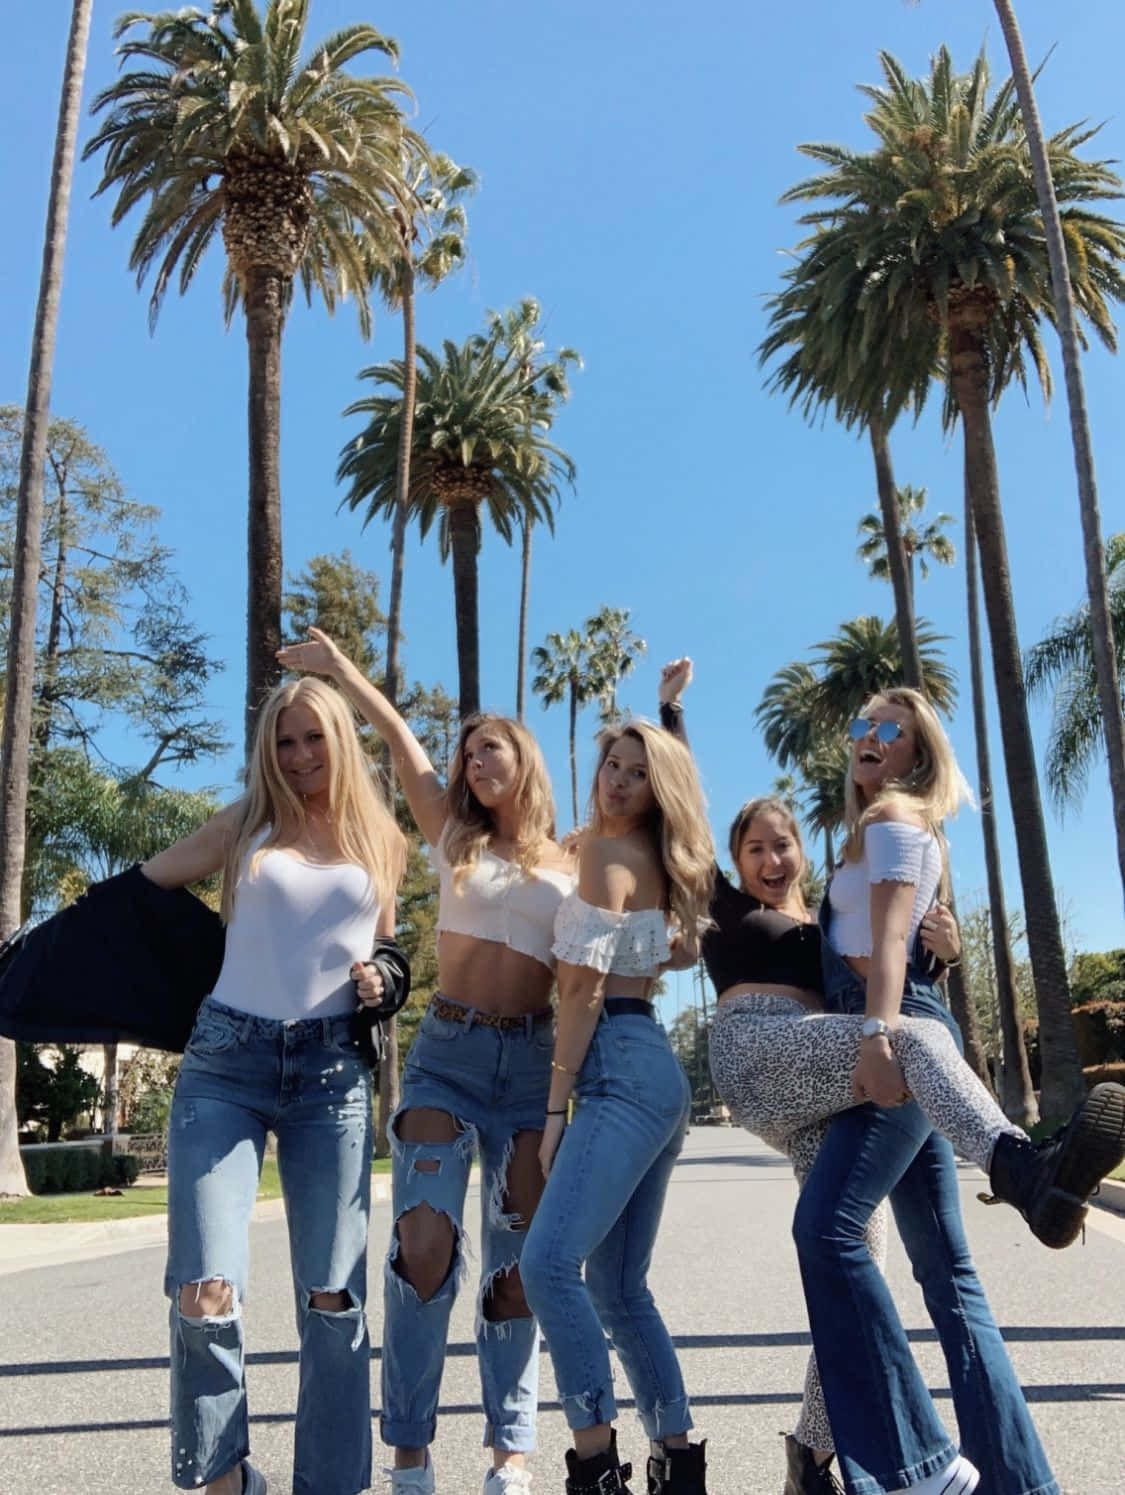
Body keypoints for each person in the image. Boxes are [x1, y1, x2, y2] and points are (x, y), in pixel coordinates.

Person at [661, 665, 1125, 1494]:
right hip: (870, 1043)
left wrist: (886, 1020)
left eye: (889, 732)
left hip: (887, 1040)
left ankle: (1022, 1172)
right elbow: (694, 829)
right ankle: (1001, 1476)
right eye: (861, 729)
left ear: (916, 755)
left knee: (843, 1238)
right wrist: (932, 958)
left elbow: (886, 962)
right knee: (934, 1273)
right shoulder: (800, 879)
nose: (869, 741)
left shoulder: (888, 826)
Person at [276, 627, 575, 1495]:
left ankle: (509, 1448)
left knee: (515, 1267)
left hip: (529, 1065)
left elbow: (654, 835)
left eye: (493, 746)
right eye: (469, 748)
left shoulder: (572, 859)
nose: (476, 757)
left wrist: (671, 715)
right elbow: (401, 742)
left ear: (523, 762)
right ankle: (408, 1448)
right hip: (446, 1052)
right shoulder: (453, 835)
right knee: (424, 1245)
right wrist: (339, 671)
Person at [142, 673, 407, 1495]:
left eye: (312, 738)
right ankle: (226, 1481)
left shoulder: (382, 840)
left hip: (332, 1074)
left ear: (339, 739)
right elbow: (142, 890)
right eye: (282, 742)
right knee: (203, 1287)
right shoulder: (247, 825)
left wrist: (385, 982)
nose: (297, 757)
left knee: (334, 1301)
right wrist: (55, 963)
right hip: (226, 1062)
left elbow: (392, 950)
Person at [520, 720, 715, 1495]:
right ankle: (677, 1463)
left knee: (546, 1263)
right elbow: (680, 950)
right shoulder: (638, 858)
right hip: (654, 1066)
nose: (619, 779)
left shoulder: (604, 856)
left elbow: (579, 990)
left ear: (657, 787)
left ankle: (596, 1467)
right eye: (611, 764)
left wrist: (555, 1108)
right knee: (620, 1288)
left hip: (612, 1069)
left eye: (638, 771)